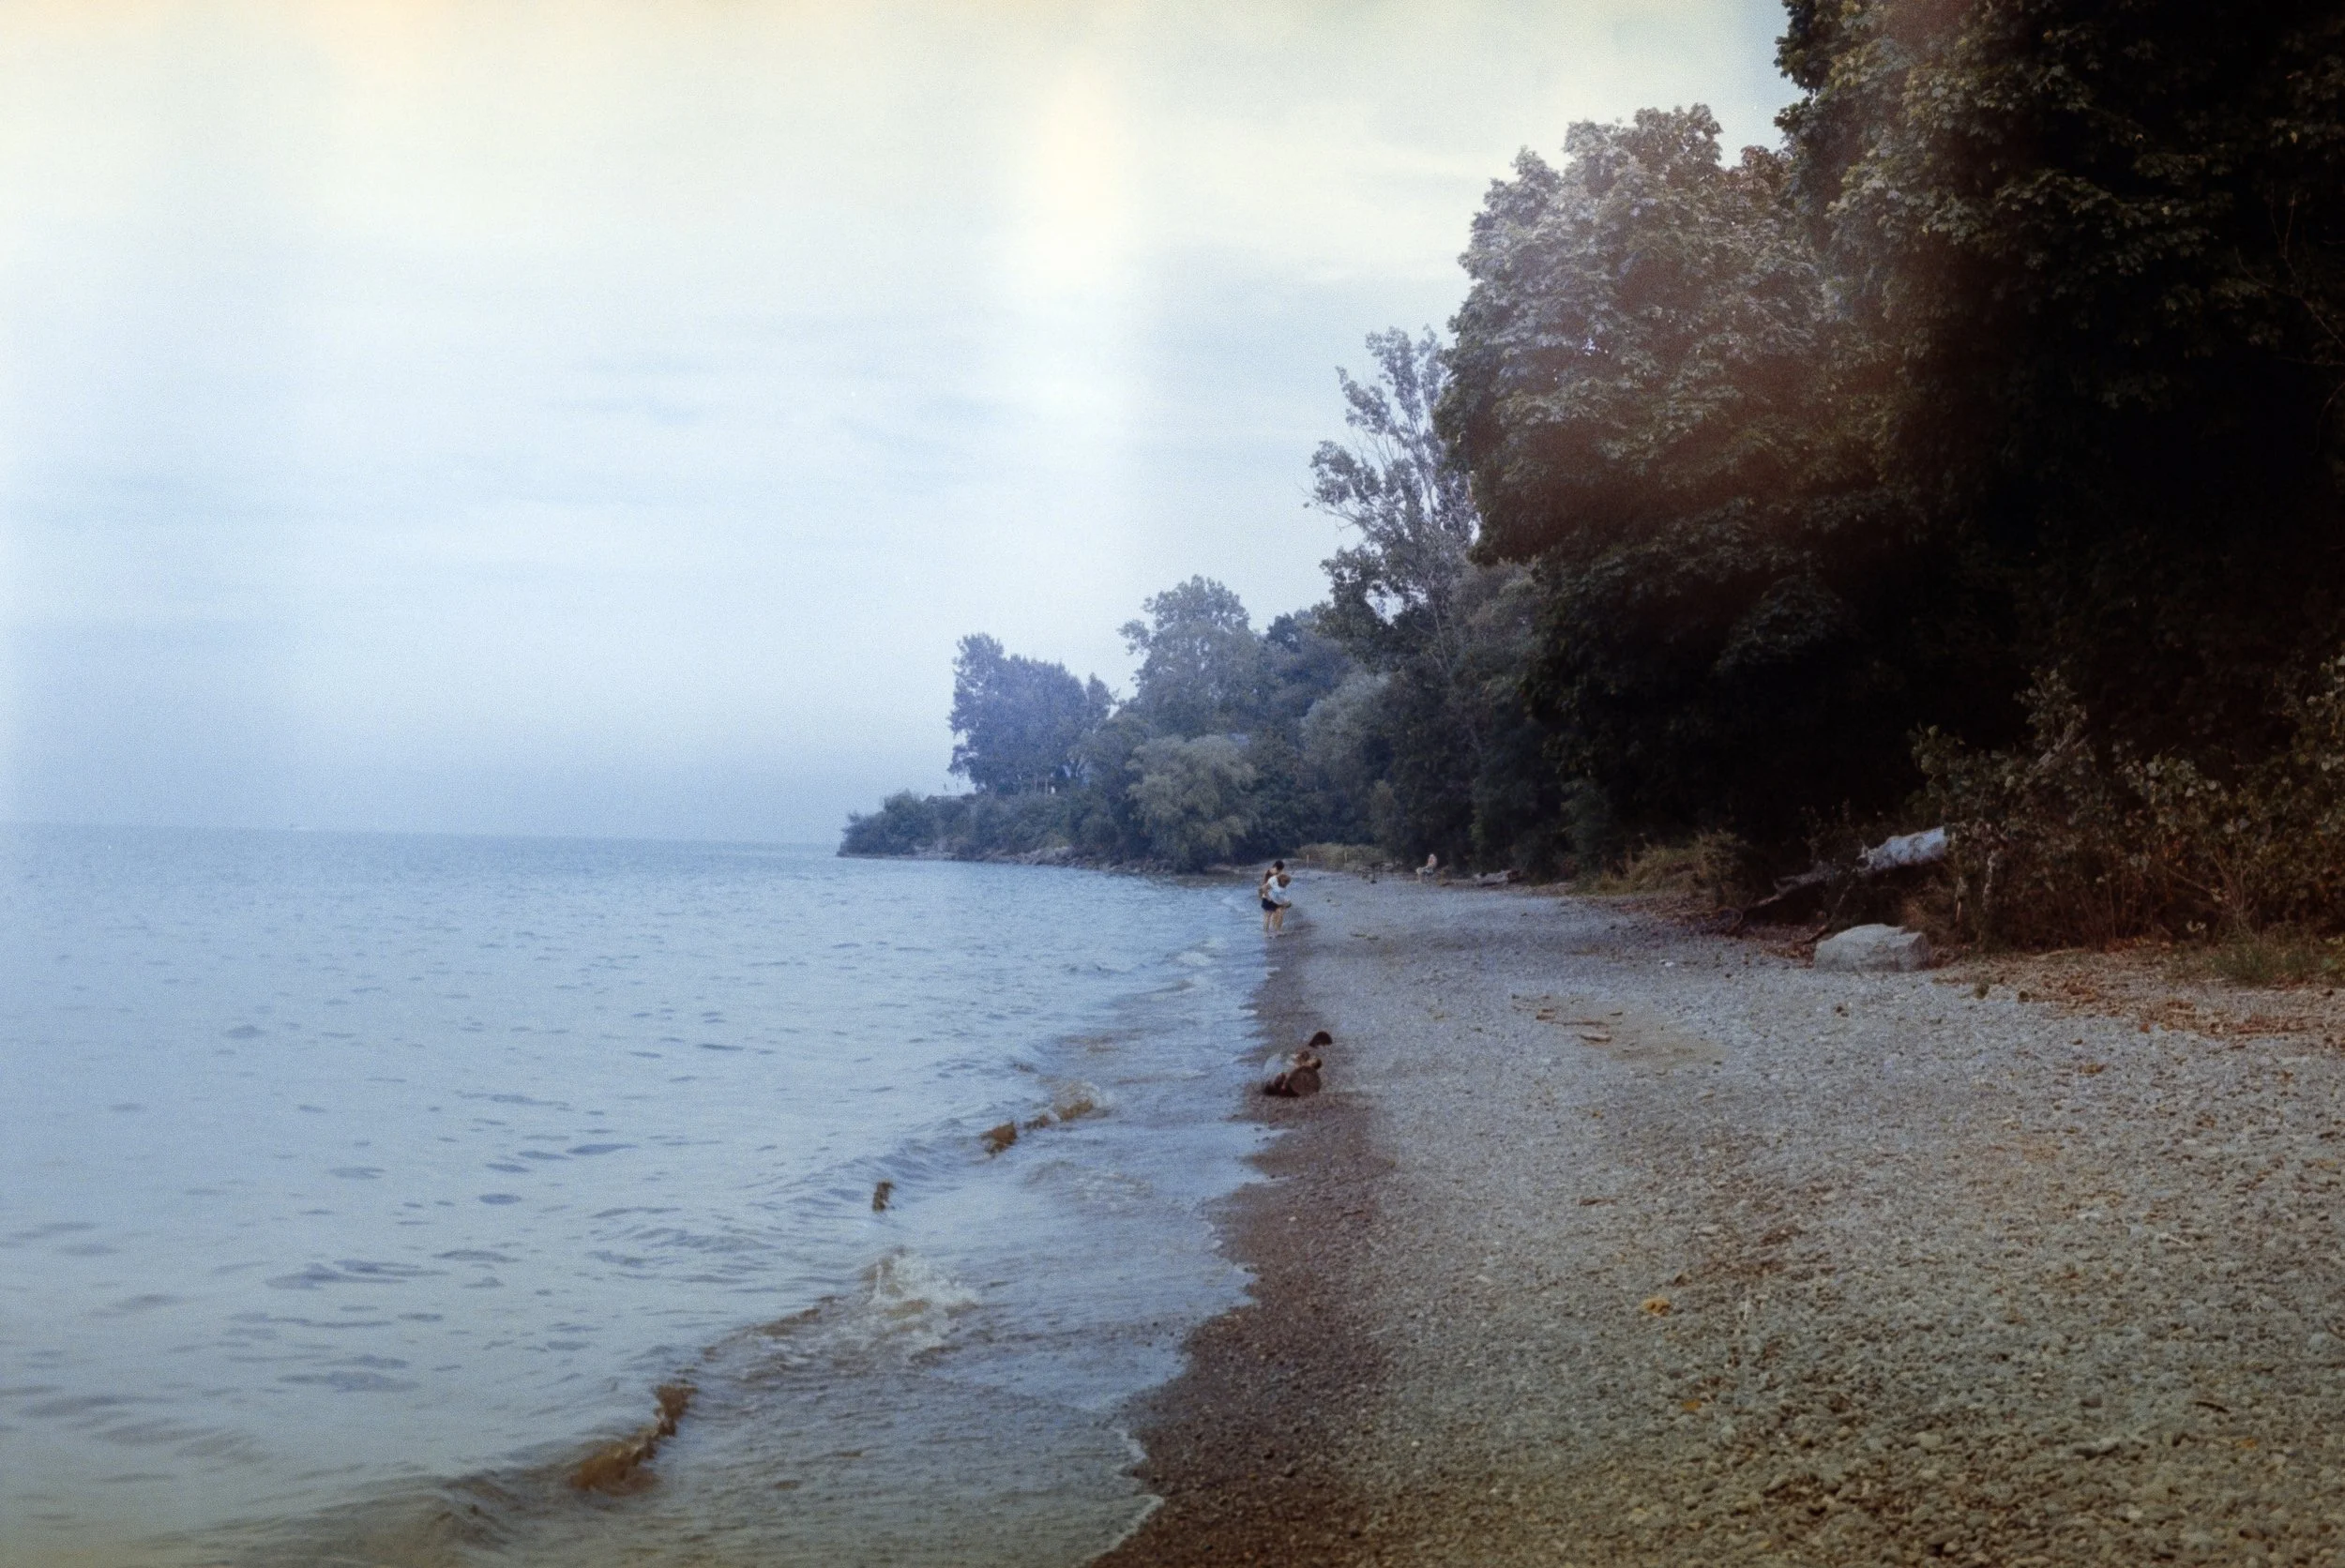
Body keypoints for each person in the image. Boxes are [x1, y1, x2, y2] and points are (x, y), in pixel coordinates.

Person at [1258, 859, 1292, 934]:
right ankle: (1269, 931)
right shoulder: (1276, 876)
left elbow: (1263, 884)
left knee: (1275, 913)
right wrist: (1266, 896)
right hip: (1269, 894)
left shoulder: (1276, 874)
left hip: (1274, 895)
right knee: (1270, 914)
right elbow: (1264, 886)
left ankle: (1275, 929)